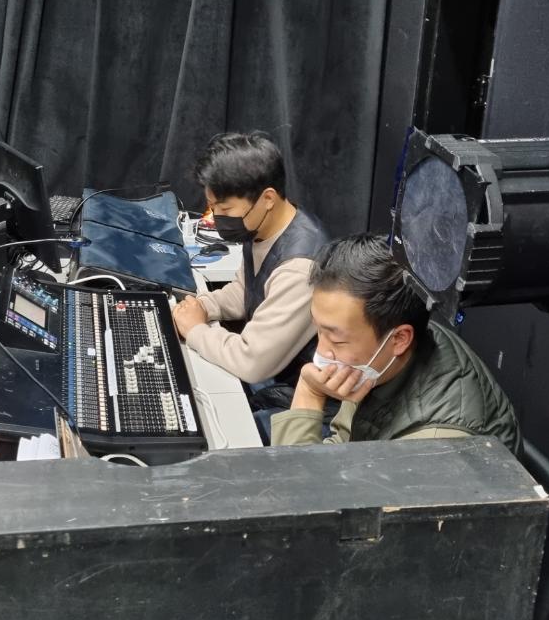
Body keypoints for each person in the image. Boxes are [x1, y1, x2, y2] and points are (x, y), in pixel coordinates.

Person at [271, 234, 521, 453]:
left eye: (336, 339)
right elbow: (342, 443)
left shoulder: (436, 444)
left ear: (400, 339)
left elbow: (305, 488)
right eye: (318, 330)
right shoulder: (378, 356)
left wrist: (309, 394)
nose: (321, 351)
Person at [172, 133, 329, 428]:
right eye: (212, 207)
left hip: (301, 402)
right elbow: (244, 293)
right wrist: (200, 307)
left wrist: (194, 330)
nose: (217, 218)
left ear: (267, 199)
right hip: (277, 381)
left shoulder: (299, 268)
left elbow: (252, 362)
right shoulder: (265, 227)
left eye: (225, 209)